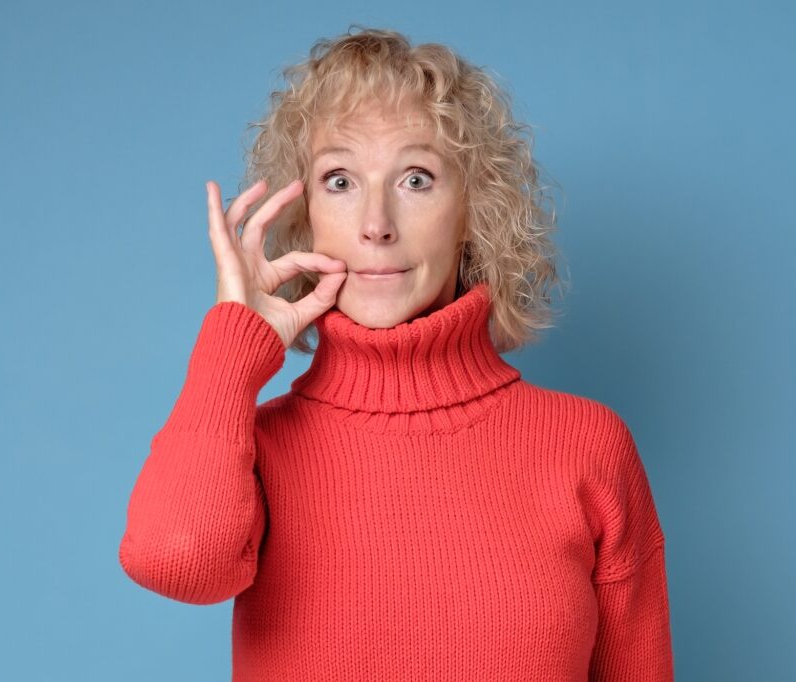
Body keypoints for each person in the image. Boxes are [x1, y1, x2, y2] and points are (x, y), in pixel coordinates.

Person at [119, 26, 674, 681]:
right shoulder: (253, 450)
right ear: (304, 215)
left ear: (474, 210)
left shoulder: (587, 445)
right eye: (340, 180)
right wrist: (230, 352)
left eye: (416, 178)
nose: (375, 224)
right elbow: (176, 561)